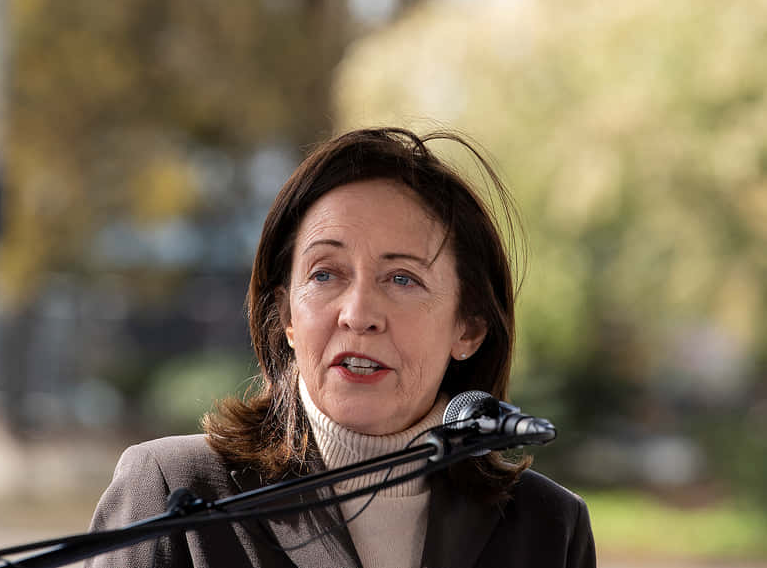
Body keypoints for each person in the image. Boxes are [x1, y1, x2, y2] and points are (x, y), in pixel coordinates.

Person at [86, 128, 596, 568]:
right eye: (325, 273)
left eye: (401, 278)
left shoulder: (548, 527)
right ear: (286, 316)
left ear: (469, 329)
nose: (357, 314)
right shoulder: (175, 492)